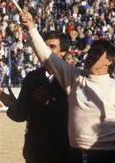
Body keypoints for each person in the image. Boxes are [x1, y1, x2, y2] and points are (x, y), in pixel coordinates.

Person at [20, 10, 115, 163]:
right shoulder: (75, 78)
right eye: (90, 51)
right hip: (74, 155)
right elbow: (46, 56)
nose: (91, 55)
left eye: (97, 53)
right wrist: (31, 27)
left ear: (109, 61)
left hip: (107, 155)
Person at [0, 31, 70, 163]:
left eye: (52, 46)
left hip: (64, 150)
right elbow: (20, 116)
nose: (46, 50)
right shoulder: (32, 78)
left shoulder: (74, 77)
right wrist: (13, 104)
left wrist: (50, 102)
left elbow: (78, 114)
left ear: (63, 51)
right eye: (44, 46)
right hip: (35, 151)